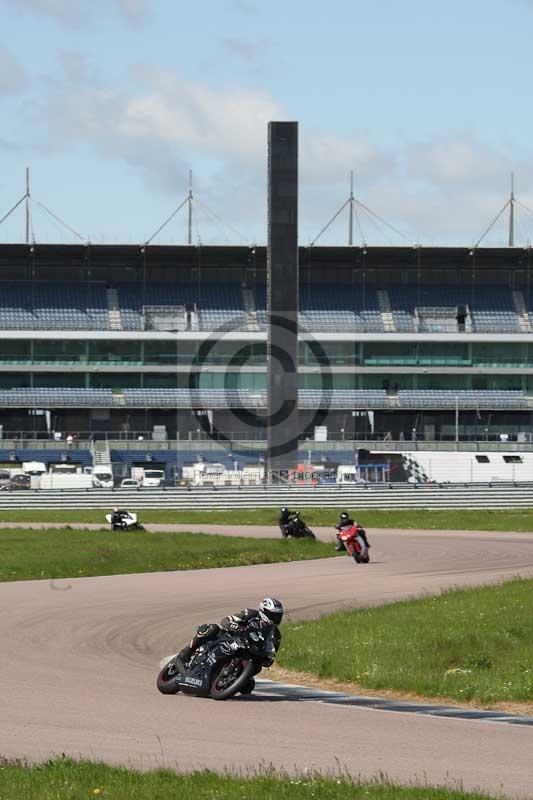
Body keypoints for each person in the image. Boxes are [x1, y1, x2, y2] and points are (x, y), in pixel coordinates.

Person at [176, 597, 284, 694]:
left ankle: (229, 678)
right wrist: (235, 627)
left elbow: (272, 652)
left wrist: (268, 658)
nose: (275, 619)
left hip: (251, 652)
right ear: (263, 611)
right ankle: (187, 652)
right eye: (273, 615)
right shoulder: (250, 614)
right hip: (230, 639)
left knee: (248, 687)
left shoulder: (276, 634)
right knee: (211, 629)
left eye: (278, 616)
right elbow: (226, 620)